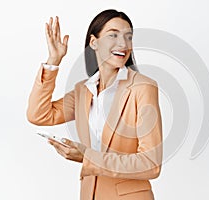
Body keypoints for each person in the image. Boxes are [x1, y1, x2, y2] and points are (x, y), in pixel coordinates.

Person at [27, 9, 163, 200]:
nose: (123, 44)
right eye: (113, 35)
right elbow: (38, 115)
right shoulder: (84, 90)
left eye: (128, 37)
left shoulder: (143, 87)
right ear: (94, 42)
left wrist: (87, 156)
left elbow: (151, 163)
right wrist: (53, 62)